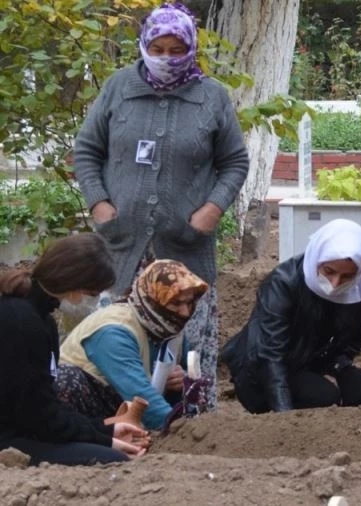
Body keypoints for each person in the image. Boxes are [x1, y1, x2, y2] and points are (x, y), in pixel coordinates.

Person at [73, 2, 250, 409]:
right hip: (123, 245)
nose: (166, 58)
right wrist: (99, 204)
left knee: (185, 352)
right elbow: (86, 149)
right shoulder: (118, 87)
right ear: (143, 45)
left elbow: (234, 161)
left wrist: (212, 209)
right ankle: (121, 424)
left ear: (190, 48)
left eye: (176, 50)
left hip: (185, 245)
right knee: (119, 339)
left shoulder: (212, 96)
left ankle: (190, 430)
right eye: (158, 48)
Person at [0, 234, 148, 466]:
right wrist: (104, 440)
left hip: (22, 430)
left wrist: (106, 430)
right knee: (112, 459)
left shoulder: (40, 320)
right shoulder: (23, 323)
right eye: (92, 293)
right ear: (75, 283)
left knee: (108, 453)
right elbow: (38, 417)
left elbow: (45, 406)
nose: (91, 299)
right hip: (10, 438)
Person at [221, 219, 361, 413]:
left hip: (311, 362)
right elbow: (270, 355)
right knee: (324, 397)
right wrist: (284, 415)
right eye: (329, 271)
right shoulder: (283, 283)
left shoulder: (358, 286)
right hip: (262, 370)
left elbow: (352, 342)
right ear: (318, 258)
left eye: (346, 277)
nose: (334, 284)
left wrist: (338, 370)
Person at [55, 259, 209, 431]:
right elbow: (139, 393)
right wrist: (184, 430)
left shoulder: (171, 331)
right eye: (176, 303)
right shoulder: (114, 330)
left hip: (123, 405)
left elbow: (192, 388)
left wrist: (182, 380)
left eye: (189, 302)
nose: (185, 312)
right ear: (152, 301)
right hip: (86, 409)